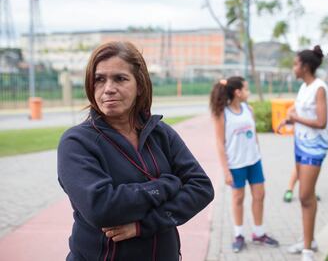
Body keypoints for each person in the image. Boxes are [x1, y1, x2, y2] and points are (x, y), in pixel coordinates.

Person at [57, 41, 214, 261]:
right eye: (99, 79)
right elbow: (101, 208)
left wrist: (143, 225)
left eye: (120, 78)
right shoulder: (76, 142)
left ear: (139, 85)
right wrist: (166, 185)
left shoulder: (161, 133)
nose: (108, 88)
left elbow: (202, 188)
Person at [209, 76, 279, 253]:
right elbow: (219, 143)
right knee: (238, 198)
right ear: (237, 92)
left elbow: (254, 135)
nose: (249, 92)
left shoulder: (249, 109)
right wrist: (226, 171)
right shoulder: (222, 113)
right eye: (247, 89)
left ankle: (258, 233)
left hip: (254, 162)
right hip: (236, 165)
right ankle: (239, 234)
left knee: (260, 195)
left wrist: (258, 153)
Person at [277, 45, 328, 261]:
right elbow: (301, 114)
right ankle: (310, 240)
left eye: (296, 63)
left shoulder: (319, 88)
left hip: (315, 147)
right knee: (307, 196)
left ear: (305, 67)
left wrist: (295, 118)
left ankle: (308, 249)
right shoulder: (304, 88)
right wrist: (289, 119)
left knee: (305, 196)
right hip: (300, 144)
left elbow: (321, 121)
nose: (293, 67)